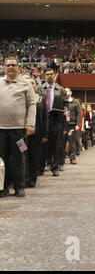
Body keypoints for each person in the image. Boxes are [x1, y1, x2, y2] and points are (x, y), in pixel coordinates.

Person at [0, 56, 36, 197]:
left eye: (13, 65)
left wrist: (30, 124)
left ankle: (20, 186)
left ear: (18, 68)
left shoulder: (26, 84)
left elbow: (32, 105)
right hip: (1, 131)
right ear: (3, 67)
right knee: (1, 159)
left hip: (20, 131)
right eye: (8, 65)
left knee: (20, 157)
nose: (10, 67)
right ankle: (3, 187)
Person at [38, 68, 67, 177]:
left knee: (55, 145)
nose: (49, 76)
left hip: (56, 120)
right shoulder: (40, 88)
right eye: (47, 74)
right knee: (43, 145)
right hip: (43, 120)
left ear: (55, 75)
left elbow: (66, 105)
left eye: (51, 74)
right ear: (45, 76)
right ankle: (41, 167)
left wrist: (65, 114)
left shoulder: (61, 90)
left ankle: (55, 167)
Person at [25, 76, 48, 188]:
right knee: (22, 155)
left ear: (36, 85)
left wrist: (45, 134)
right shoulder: (21, 97)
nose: (30, 85)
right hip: (22, 134)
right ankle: (22, 179)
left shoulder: (41, 99)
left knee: (34, 157)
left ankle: (32, 179)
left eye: (32, 83)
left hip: (37, 134)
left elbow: (45, 118)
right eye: (28, 83)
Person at [64, 88, 82, 164]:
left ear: (70, 92)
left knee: (72, 143)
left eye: (67, 91)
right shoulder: (62, 102)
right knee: (61, 143)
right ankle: (61, 159)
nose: (65, 92)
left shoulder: (75, 102)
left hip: (72, 125)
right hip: (63, 125)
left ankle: (72, 158)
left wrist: (78, 124)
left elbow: (79, 114)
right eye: (64, 91)